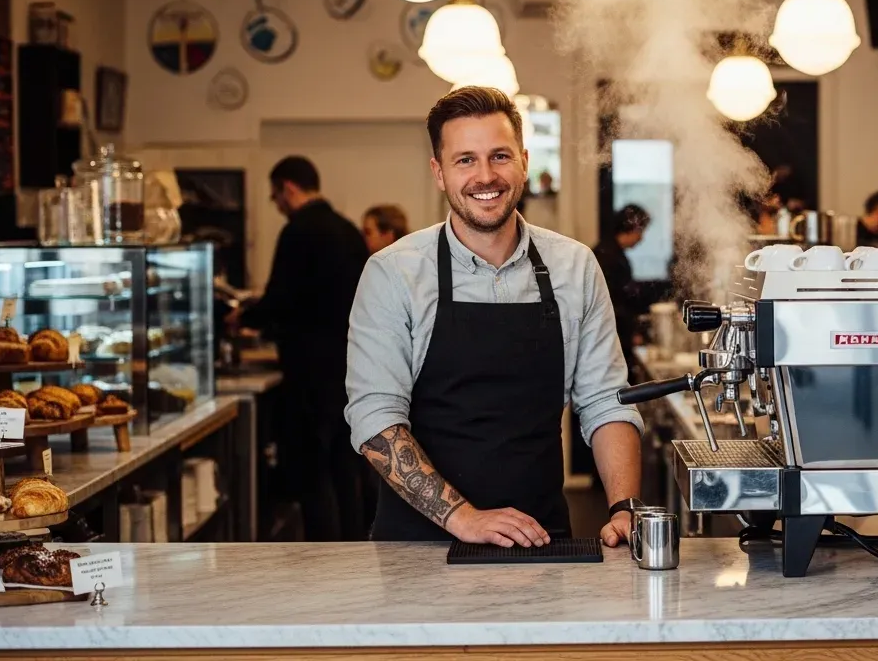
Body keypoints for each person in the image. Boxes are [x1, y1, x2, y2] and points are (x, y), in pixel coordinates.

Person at [345, 86, 644, 546]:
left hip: (540, 537)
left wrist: (623, 507)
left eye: (499, 156)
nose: (485, 175)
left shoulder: (574, 267)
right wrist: (464, 518)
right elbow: (375, 420)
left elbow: (606, 402)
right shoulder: (393, 273)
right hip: (418, 547)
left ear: (524, 161)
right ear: (438, 173)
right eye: (465, 159)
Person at [229, 156, 370, 541]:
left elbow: (280, 299)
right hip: (350, 368)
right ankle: (354, 548)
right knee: (345, 466)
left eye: (276, 196)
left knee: (311, 468)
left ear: (289, 188)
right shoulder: (348, 230)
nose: (277, 205)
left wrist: (245, 317)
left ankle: (323, 557)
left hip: (309, 372)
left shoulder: (298, 231)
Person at [593, 205, 652, 382]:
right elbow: (612, 304)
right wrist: (631, 333)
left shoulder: (607, 251)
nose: (641, 238)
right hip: (608, 343)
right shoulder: (610, 258)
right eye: (641, 231)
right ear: (632, 227)